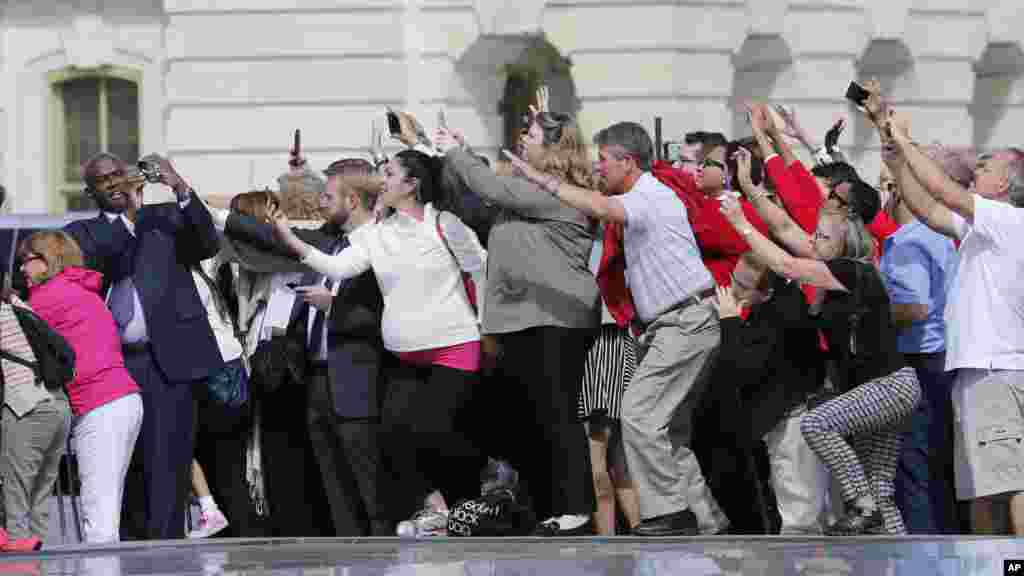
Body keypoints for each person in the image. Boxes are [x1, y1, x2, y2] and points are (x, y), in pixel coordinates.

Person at [502, 121, 729, 536]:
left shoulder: (649, 196)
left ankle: (672, 515)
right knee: (668, 435)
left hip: (684, 322)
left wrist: (541, 180)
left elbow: (601, 208)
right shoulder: (642, 195)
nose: (598, 167)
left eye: (604, 160)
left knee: (640, 415)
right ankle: (707, 522)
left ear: (627, 162)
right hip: (671, 325)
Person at [266, 149, 486, 537]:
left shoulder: (443, 223)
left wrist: (488, 324)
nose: (382, 180)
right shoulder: (375, 233)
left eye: (390, 172)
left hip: (455, 344)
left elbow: (479, 267)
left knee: (437, 431)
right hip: (406, 353)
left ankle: (470, 503)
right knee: (393, 431)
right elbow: (337, 267)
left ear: (412, 184)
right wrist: (290, 239)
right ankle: (436, 507)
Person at [718, 167, 920, 535]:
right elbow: (782, 230)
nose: (813, 238)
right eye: (815, 232)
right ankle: (899, 554)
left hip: (891, 387)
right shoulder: (830, 265)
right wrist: (749, 188)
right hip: (879, 392)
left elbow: (783, 263)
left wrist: (739, 223)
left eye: (823, 235)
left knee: (817, 423)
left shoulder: (851, 270)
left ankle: (862, 503)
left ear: (845, 237)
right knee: (881, 489)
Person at [435, 99, 600, 536]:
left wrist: (457, 152)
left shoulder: (556, 189)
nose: (519, 141)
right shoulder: (524, 191)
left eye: (528, 135)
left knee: (557, 414)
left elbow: (491, 189)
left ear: (555, 148)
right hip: (518, 322)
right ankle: (544, 502)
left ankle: (575, 510)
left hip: (556, 317)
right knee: (500, 415)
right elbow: (479, 199)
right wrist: (449, 155)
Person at [214, 159, 388, 536]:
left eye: (327, 196)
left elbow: (393, 317)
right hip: (318, 379)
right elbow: (269, 239)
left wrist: (335, 306)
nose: (320, 203)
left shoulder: (384, 242)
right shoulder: (328, 241)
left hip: (359, 383)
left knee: (371, 491)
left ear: (353, 200)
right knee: (335, 489)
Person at [65, 152, 222, 540]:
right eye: (104, 180)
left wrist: (178, 185)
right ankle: (131, 550)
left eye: (120, 173)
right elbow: (109, 259)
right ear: (91, 192)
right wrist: (133, 216)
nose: (116, 182)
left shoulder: (166, 218)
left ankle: (167, 549)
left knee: (169, 460)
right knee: (125, 463)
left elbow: (207, 242)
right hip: (117, 366)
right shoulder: (82, 232)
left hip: (170, 360)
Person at [18, 230, 143, 544]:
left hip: (99, 405)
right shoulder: (79, 291)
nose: (22, 269)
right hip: (121, 399)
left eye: (26, 260)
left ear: (48, 260)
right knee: (106, 505)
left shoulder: (47, 298)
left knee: (99, 518)